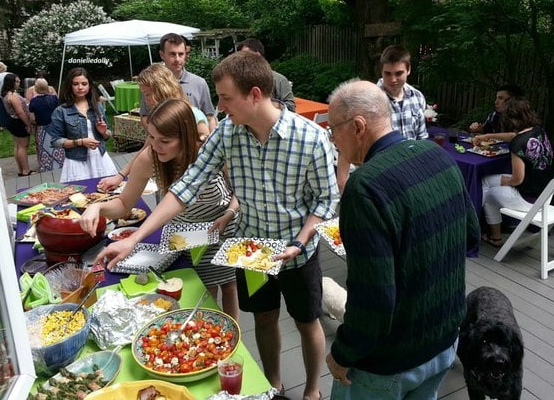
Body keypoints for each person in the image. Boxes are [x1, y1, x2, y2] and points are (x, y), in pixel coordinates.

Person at [95, 51, 339, 400]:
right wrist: (134, 239)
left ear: (254, 95)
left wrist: (300, 241)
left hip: (298, 254)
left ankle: (312, 390)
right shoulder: (227, 133)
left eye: (226, 98)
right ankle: (274, 385)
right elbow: (187, 185)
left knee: (306, 321)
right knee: (264, 319)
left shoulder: (310, 137)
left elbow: (327, 201)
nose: (220, 107)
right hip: (252, 253)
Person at [325, 79, 480, 400]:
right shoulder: (438, 156)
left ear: (357, 127)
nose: (332, 139)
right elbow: (470, 236)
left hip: (391, 363)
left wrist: (341, 354)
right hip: (445, 341)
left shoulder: (365, 188)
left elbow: (374, 300)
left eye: (333, 130)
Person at [80, 99, 239, 318]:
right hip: (183, 237)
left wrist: (230, 213)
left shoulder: (210, 151)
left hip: (223, 229)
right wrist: (97, 207)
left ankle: (232, 333)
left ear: (186, 135)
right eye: (151, 137)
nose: (155, 145)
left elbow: (240, 191)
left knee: (229, 287)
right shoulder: (149, 157)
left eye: (164, 140)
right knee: (200, 295)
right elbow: (124, 204)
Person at [97, 63, 210, 192]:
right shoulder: (159, 119)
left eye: (148, 94)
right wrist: (120, 176)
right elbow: (145, 150)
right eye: (145, 95)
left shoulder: (194, 116)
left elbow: (207, 154)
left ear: (163, 90)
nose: (146, 100)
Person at [336, 45, 429, 193]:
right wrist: (342, 182)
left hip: (410, 174)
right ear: (381, 71)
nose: (393, 80)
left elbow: (421, 139)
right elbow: (347, 142)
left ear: (409, 69)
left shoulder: (417, 97)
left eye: (399, 73)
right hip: (378, 178)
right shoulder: (367, 99)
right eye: (387, 74)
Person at [481, 98, 554, 247]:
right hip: (547, 194)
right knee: (485, 181)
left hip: (530, 201)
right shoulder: (537, 130)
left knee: (488, 195)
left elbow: (517, 179)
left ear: (510, 119)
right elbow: (513, 135)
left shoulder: (518, 144)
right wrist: (486, 136)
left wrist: (506, 182)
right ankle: (484, 223)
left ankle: (494, 237)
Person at [49, 67, 116, 182]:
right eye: (76, 84)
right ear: (70, 85)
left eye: (84, 84)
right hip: (77, 162)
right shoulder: (61, 111)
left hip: (100, 159)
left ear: (89, 85)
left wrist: (103, 132)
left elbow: (108, 135)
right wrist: (80, 142)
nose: (80, 87)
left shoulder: (97, 106)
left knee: (107, 192)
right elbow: (55, 141)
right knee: (81, 196)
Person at [139, 33, 216, 131]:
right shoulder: (152, 83)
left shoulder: (199, 83)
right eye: (172, 54)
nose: (177, 59)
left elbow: (209, 117)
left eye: (181, 54)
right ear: (162, 55)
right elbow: (145, 116)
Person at [237, 38, 296, 112]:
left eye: (245, 55)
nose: (241, 59)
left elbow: (291, 108)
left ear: (258, 55)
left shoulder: (278, 79)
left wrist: (267, 104)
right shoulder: (239, 80)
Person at [1, 73, 35, 176]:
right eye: (17, 81)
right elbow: (20, 112)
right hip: (18, 122)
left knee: (18, 145)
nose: (19, 82)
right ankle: (26, 170)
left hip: (12, 121)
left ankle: (21, 170)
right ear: (11, 82)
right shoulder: (12, 96)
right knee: (23, 146)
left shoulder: (6, 94)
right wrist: (28, 124)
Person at [28, 78, 64, 172]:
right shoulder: (54, 99)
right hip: (56, 126)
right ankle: (61, 163)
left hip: (42, 128)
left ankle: (47, 166)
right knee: (58, 145)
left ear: (36, 89)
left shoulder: (33, 102)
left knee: (45, 147)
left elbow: (32, 119)